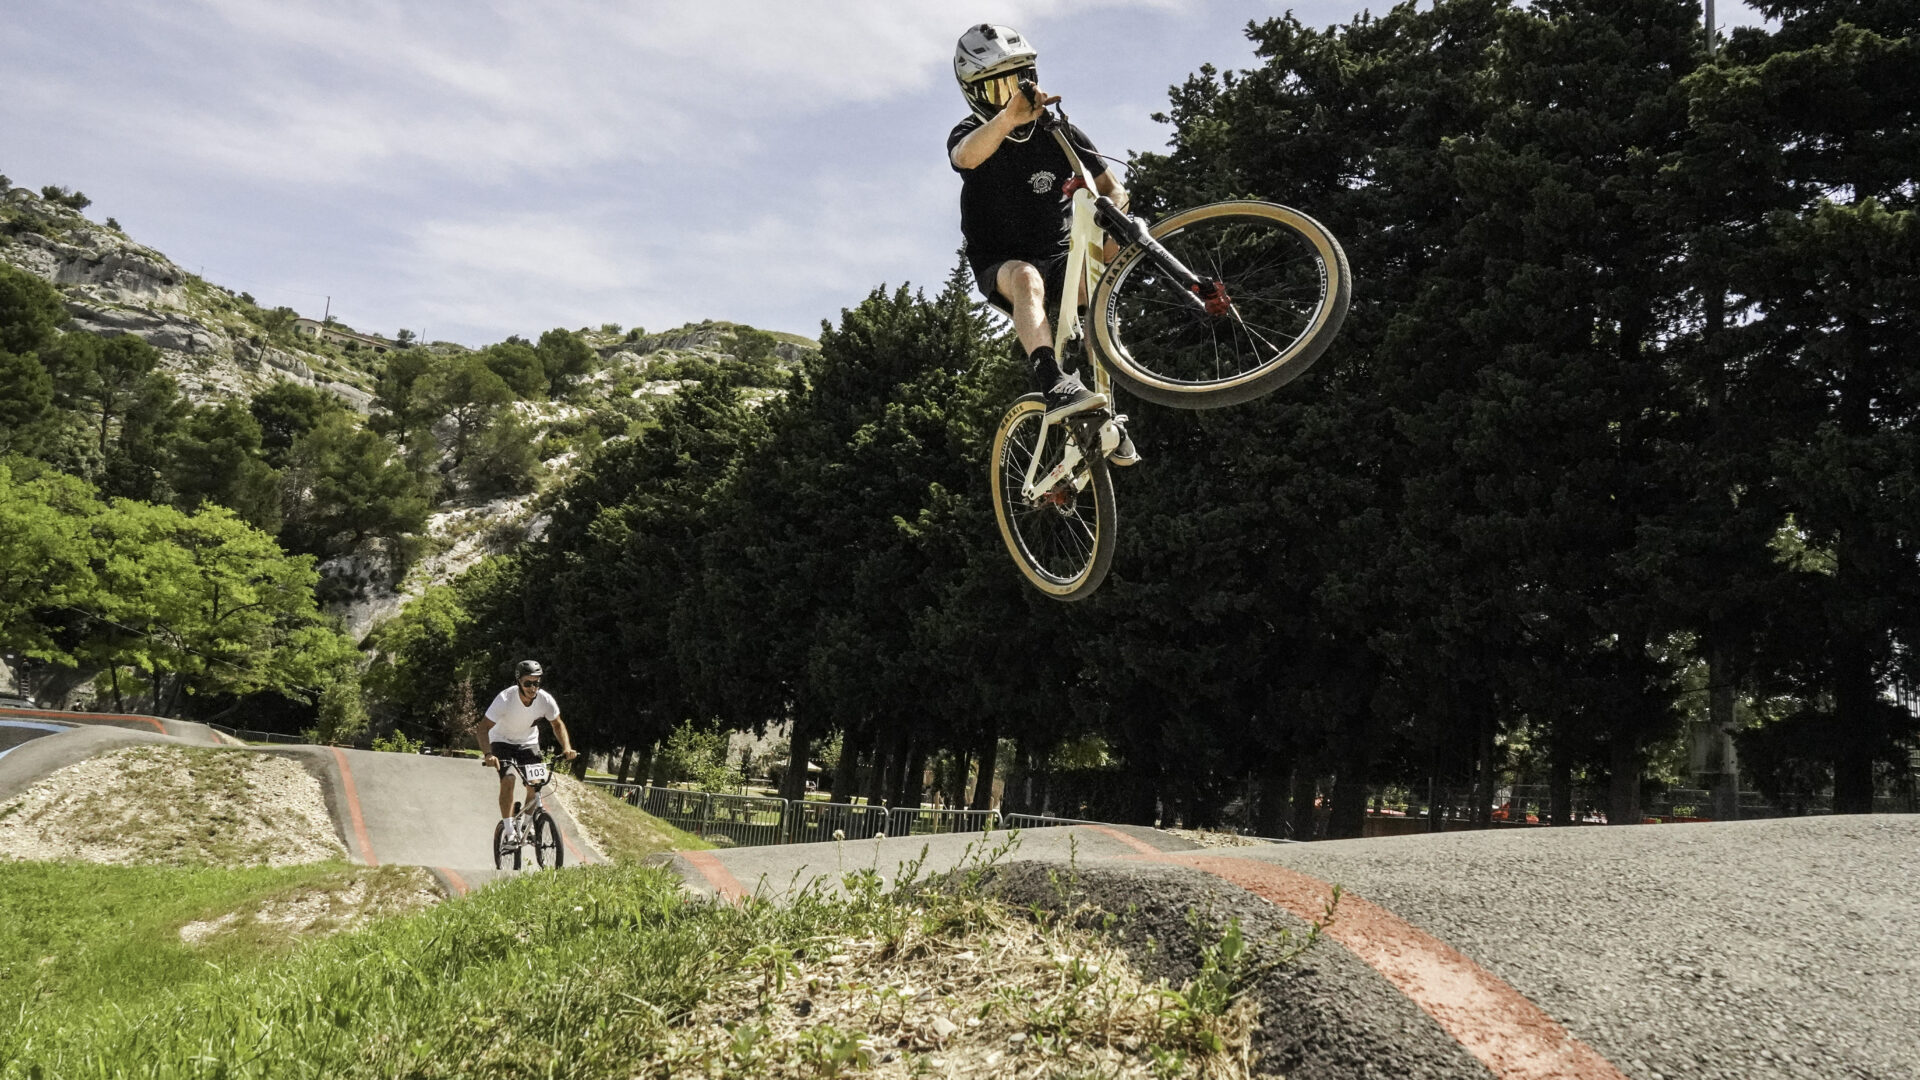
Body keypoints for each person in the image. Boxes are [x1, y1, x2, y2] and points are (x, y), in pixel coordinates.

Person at [948, 23, 1138, 462]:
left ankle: (1106, 402)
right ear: (975, 95)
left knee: (1112, 246)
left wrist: (1112, 216)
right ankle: (1051, 380)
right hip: (1001, 261)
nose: (1010, 97)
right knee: (1027, 279)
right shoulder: (969, 132)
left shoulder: (1057, 130)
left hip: (1059, 253)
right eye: (997, 89)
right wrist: (1007, 118)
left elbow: (1113, 188)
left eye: (1018, 82)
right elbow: (966, 158)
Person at [476, 660, 577, 842]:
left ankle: (526, 824)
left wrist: (567, 748)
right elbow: (483, 728)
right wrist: (488, 754)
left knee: (535, 784)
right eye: (528, 683)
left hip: (528, 742)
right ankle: (509, 830)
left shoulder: (545, 700)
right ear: (519, 682)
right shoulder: (505, 699)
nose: (532, 688)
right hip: (502, 741)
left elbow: (557, 724)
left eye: (536, 683)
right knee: (508, 779)